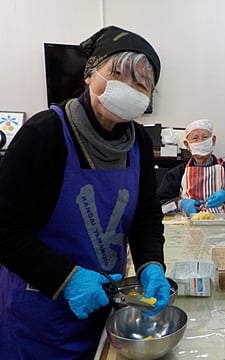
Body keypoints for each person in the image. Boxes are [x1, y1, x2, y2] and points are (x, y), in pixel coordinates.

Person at [0, 26, 171, 358]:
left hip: (104, 306)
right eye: (117, 74)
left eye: (141, 83)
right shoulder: (45, 134)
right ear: (91, 73)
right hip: (40, 313)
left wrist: (151, 263)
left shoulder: (138, 142)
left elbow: (145, 214)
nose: (128, 88)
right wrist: (67, 278)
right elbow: (4, 227)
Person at [158, 119, 225, 216]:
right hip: (186, 226)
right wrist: (180, 203)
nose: (200, 141)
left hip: (221, 226)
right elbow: (160, 204)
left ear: (213, 141)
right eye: (195, 138)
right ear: (187, 145)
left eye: (205, 137)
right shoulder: (177, 173)